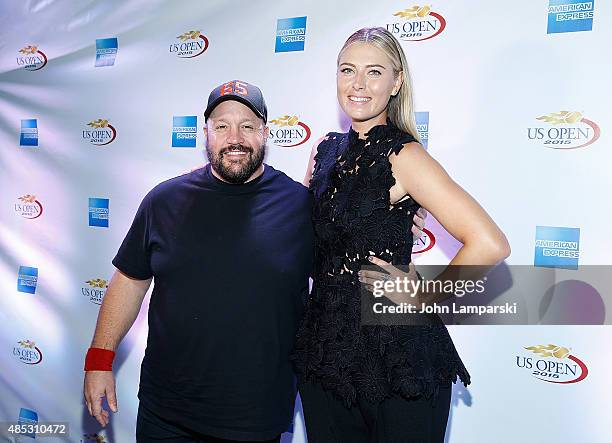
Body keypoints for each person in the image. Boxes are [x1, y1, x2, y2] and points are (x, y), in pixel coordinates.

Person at [82, 79, 428, 442]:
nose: (235, 138)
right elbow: (130, 281)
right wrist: (100, 360)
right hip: (166, 414)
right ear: (206, 134)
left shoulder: (301, 206)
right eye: (222, 126)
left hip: (255, 419)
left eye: (248, 126)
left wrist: (396, 223)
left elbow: (345, 273)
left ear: (265, 133)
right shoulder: (163, 201)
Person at [291, 27, 511, 442]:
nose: (358, 84)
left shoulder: (403, 155)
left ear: (397, 82)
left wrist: (426, 298)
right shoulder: (324, 150)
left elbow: (489, 242)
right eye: (347, 70)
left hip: (394, 353)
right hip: (324, 351)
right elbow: (299, 237)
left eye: (374, 72)